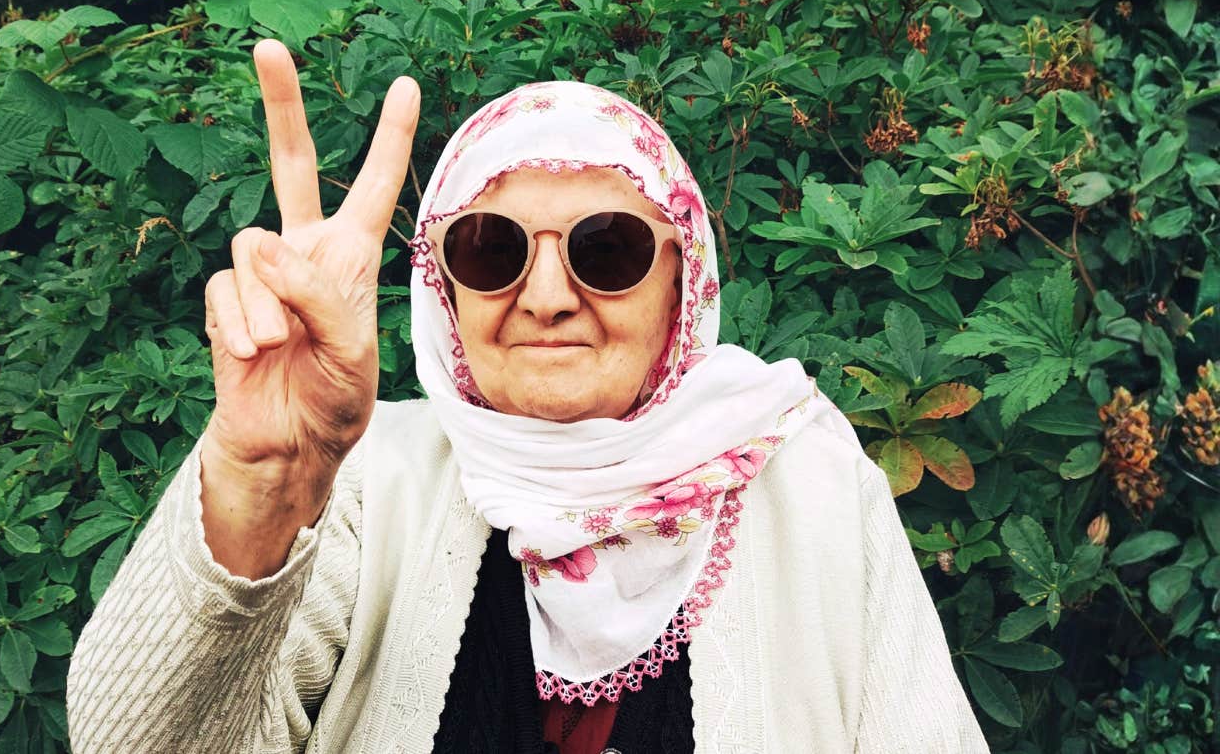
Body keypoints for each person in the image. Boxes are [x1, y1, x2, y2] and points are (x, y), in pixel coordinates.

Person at [64, 39, 991, 753]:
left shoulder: (816, 491)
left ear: (685, 282)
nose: (546, 296)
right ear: (445, 292)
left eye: (608, 249)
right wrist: (261, 482)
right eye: (492, 250)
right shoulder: (362, 481)